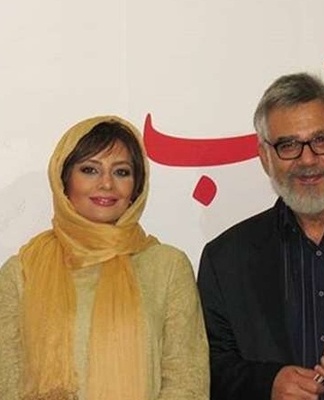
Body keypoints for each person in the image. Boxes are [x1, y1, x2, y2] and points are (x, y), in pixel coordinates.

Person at [197, 72, 324, 399]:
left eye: (322, 140)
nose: (308, 159)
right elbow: (210, 367)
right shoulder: (225, 258)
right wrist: (269, 383)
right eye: (289, 145)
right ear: (265, 157)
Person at [0, 115, 209, 400]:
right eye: (90, 170)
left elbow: (186, 381)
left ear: (136, 187)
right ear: (63, 180)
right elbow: (7, 381)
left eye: (121, 172)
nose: (107, 184)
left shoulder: (167, 267)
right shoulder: (21, 272)